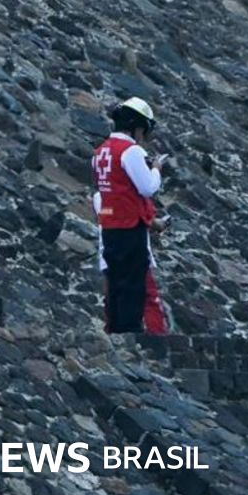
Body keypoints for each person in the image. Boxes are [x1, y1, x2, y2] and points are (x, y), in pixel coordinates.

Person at [92, 97, 162, 333]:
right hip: (131, 224)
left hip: (110, 224)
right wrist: (156, 170)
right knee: (134, 282)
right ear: (138, 127)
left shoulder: (100, 151)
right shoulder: (130, 151)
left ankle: (115, 328)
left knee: (115, 281)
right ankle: (130, 330)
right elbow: (147, 187)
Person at [93, 192, 169, 334]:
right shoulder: (128, 197)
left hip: (111, 254)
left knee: (114, 297)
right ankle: (156, 336)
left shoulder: (102, 197)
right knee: (148, 297)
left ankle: (115, 334)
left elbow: (104, 212)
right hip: (131, 254)